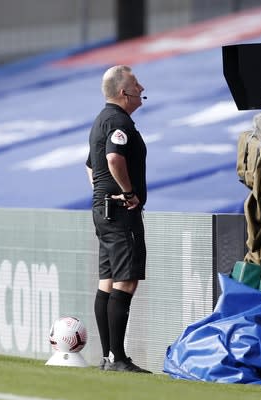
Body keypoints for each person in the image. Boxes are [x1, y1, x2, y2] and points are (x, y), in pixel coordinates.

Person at [85, 65, 150, 373]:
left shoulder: (101, 120)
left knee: (108, 280)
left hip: (104, 209)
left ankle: (109, 357)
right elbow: (113, 158)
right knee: (126, 280)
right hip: (120, 211)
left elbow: (90, 165)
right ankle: (117, 358)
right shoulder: (118, 121)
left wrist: (100, 192)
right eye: (137, 83)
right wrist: (127, 192)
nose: (142, 87)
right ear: (125, 92)